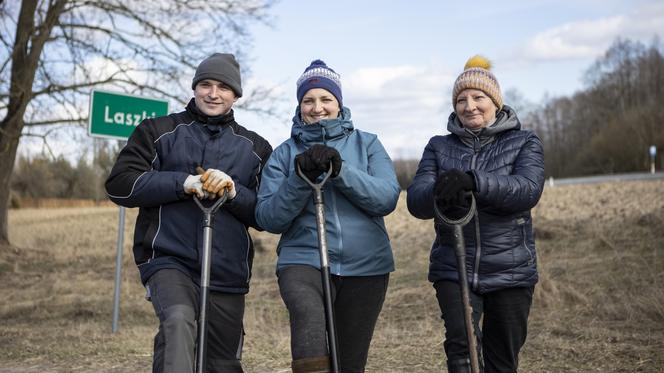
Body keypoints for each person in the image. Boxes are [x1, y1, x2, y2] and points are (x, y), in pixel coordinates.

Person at [105, 53, 272, 373]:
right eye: (205, 84)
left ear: (236, 95)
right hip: (169, 259)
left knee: (222, 362)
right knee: (179, 321)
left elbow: (265, 215)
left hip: (228, 270)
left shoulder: (256, 148)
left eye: (223, 87)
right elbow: (120, 185)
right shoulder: (158, 131)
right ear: (194, 88)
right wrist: (183, 183)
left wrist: (234, 191)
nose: (213, 93)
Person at [255, 60, 400, 373]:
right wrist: (299, 178)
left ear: (339, 103)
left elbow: (387, 197)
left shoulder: (368, 144)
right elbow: (268, 218)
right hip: (302, 259)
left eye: (325, 99)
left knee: (349, 361)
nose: (317, 107)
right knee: (308, 322)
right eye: (308, 100)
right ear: (299, 105)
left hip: (366, 264)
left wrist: (340, 171)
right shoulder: (284, 153)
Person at [406, 55, 545, 373]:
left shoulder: (524, 141)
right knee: (462, 352)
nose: (469, 105)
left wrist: (473, 182)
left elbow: (527, 189)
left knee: (502, 359)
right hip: (454, 267)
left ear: (495, 101)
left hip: (511, 268)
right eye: (461, 99)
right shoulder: (438, 147)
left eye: (478, 97)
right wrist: (440, 192)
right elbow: (417, 201)